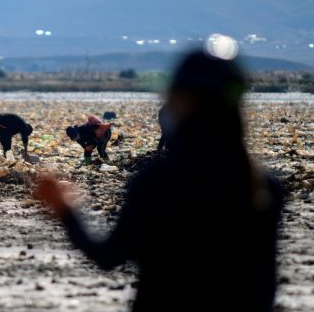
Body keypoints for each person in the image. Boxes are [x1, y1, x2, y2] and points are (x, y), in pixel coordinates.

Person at [36, 49, 283, 312]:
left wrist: (64, 210)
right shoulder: (264, 188)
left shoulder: (156, 181)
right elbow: (265, 287)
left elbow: (108, 256)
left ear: (178, 102)